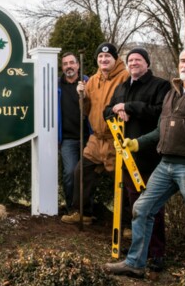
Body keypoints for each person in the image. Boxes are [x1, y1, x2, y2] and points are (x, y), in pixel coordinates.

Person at [105, 43, 185, 277]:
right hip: (165, 165)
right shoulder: (173, 93)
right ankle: (135, 263)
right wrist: (137, 143)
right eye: (183, 61)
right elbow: (162, 130)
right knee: (142, 208)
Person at [103, 47, 170, 270]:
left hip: (151, 155)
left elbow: (161, 113)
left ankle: (157, 253)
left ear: (147, 63)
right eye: (130, 60)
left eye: (138, 60)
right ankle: (139, 250)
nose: (133, 63)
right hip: (126, 156)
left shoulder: (160, 85)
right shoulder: (122, 86)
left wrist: (130, 107)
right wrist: (116, 109)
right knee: (135, 205)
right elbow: (106, 111)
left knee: (153, 206)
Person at [61, 43, 129, 224]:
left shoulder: (125, 77)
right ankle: (83, 213)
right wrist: (81, 96)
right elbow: (85, 110)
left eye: (107, 57)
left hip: (117, 139)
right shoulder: (92, 80)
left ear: (115, 59)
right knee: (81, 172)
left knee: (123, 181)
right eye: (100, 57)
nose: (104, 60)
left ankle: (127, 223)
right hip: (96, 139)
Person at [58, 52, 90, 213]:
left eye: (72, 62)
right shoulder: (56, 85)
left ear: (78, 65)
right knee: (70, 172)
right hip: (68, 139)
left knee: (87, 174)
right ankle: (72, 209)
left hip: (88, 137)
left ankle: (86, 209)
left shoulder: (88, 83)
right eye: (65, 63)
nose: (68, 66)